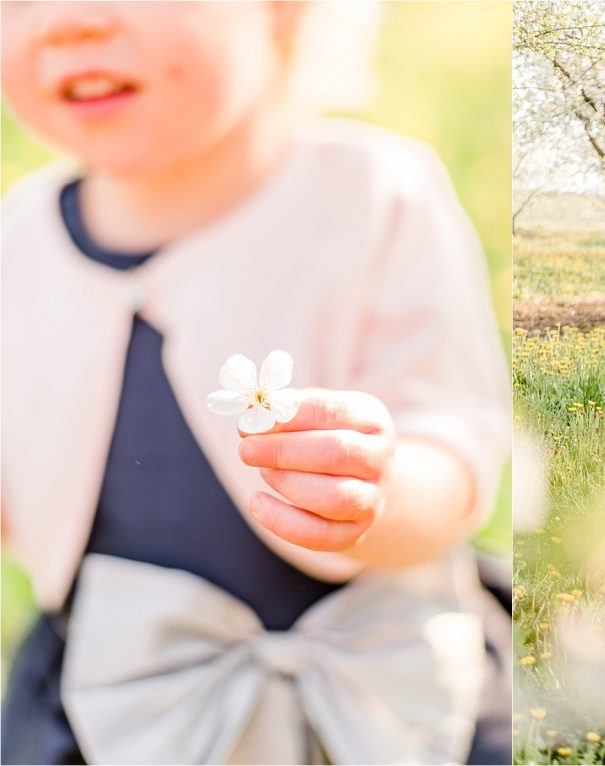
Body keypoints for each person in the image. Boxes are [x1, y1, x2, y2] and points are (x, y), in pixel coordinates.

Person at [0, 3, 511, 764]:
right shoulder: (18, 238)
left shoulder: (373, 194)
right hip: (112, 703)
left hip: (388, 701)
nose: (69, 22)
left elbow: (457, 434)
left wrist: (382, 490)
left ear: (284, 12)